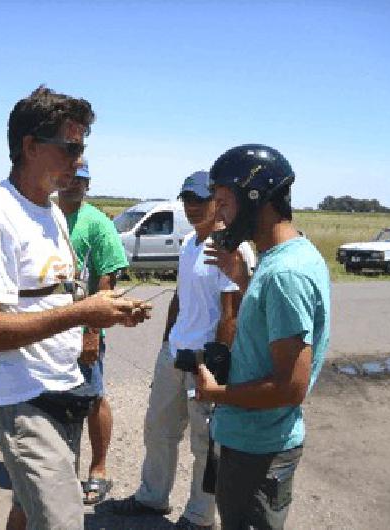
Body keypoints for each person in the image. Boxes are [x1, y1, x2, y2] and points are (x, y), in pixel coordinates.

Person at [0, 85, 150, 530]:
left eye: (82, 147)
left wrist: (107, 309)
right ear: (30, 146)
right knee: (62, 521)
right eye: (71, 147)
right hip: (20, 398)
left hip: (62, 387)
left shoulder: (53, 212)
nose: (79, 160)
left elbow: (59, 297)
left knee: (26, 508)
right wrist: (82, 315)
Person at [108, 170, 256, 530]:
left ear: (217, 203)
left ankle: (200, 515)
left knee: (205, 443)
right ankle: (152, 496)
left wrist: (218, 363)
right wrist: (165, 342)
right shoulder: (190, 241)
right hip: (174, 353)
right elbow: (180, 297)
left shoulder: (230, 247)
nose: (191, 207)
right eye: (187, 199)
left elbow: (231, 314)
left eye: (199, 200)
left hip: (204, 360)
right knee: (158, 429)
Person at [195, 144, 331, 530]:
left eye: (223, 202)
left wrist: (215, 394)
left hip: (258, 449)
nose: (217, 214)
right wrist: (241, 279)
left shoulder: (284, 274)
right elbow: (272, 323)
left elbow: (290, 387)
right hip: (249, 440)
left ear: (255, 198)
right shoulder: (284, 260)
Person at [57, 156, 129, 505]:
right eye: (68, 176)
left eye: (80, 178)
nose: (73, 183)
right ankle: (61, 470)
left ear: (88, 184)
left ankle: (98, 469)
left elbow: (107, 281)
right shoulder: (45, 216)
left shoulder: (97, 223)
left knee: (93, 396)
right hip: (49, 328)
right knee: (54, 398)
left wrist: (91, 332)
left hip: (83, 328)